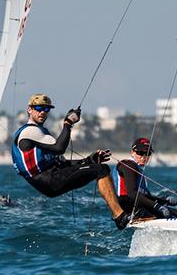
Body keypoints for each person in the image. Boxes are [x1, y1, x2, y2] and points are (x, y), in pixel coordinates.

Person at [11, 93, 131, 230]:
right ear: (29, 110)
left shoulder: (40, 133)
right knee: (101, 170)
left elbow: (62, 163)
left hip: (51, 178)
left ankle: (124, 212)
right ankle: (120, 216)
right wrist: (67, 124)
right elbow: (59, 148)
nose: (43, 112)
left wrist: (89, 160)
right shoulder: (30, 132)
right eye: (39, 108)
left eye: (46, 109)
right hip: (47, 180)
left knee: (98, 167)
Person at [114, 137, 177, 219]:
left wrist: (163, 200)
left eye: (148, 153)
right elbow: (132, 194)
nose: (144, 157)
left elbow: (144, 197)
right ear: (132, 152)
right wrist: (157, 206)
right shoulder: (128, 165)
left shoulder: (138, 168)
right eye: (141, 153)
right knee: (175, 216)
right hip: (128, 208)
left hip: (140, 206)